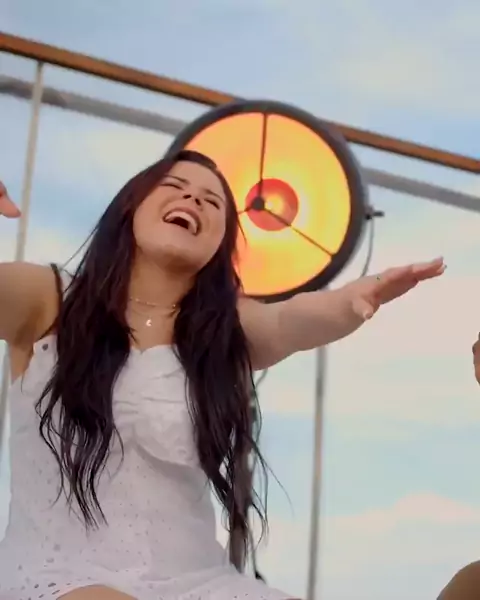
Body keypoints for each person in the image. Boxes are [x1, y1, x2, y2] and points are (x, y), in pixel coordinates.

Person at [0, 150, 445, 600]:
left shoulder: (222, 331)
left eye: (212, 202)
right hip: (62, 574)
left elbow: (287, 320)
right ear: (129, 207)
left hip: (197, 582)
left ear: (221, 243)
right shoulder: (49, 296)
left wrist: (348, 301)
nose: (193, 199)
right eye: (175, 187)